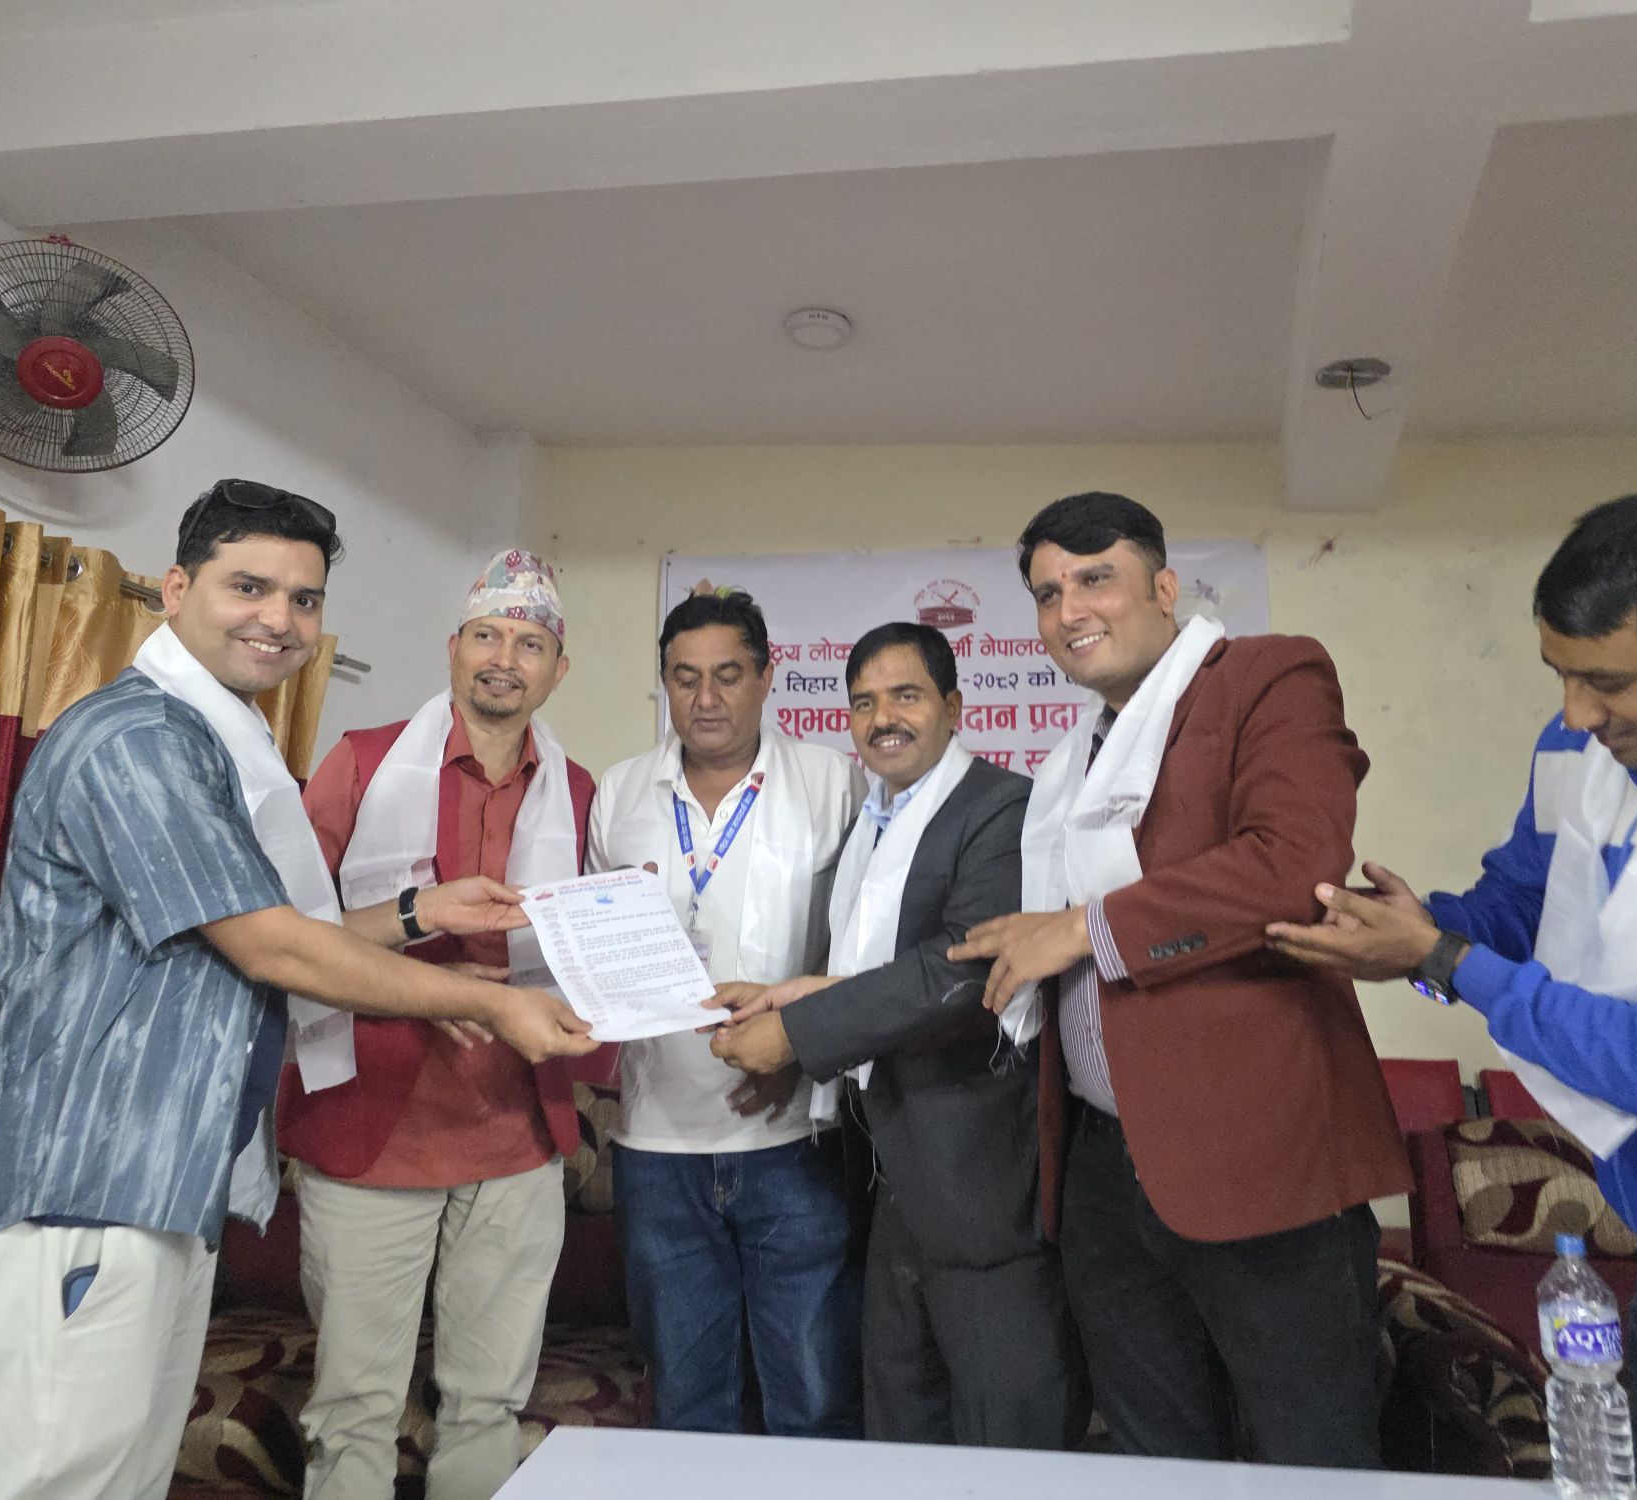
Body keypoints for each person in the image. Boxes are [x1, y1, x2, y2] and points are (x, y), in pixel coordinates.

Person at [0, 481, 595, 1500]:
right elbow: (276, 946)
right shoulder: (140, 741)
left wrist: (420, 912)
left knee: (117, 1477)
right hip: (84, 1182)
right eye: (248, 587)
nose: (277, 619)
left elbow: (280, 928)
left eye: (303, 599)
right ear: (174, 589)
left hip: (162, 1183)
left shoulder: (219, 742)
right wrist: (491, 1002)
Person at [1266, 492, 1637, 1500]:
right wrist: (1405, 932)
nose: (1577, 712)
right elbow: (1523, 902)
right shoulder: (1581, 747)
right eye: (1561, 676)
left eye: (1606, 682)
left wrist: (1445, 959)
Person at [949, 491, 1409, 1467]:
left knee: (1311, 1458)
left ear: (1164, 588)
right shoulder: (1070, 760)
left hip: (1256, 1159)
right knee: (1157, 1458)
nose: (1068, 609)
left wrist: (1083, 927)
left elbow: (1292, 863)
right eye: (1046, 593)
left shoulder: (1263, 676)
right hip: (1101, 1167)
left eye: (1094, 578)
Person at [710, 622, 1086, 1449]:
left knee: (1004, 1430)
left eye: (905, 696)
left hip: (978, 1178)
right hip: (886, 1170)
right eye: (863, 703)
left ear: (954, 707)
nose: (883, 718)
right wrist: (792, 996)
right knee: (901, 1423)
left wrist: (797, 1033)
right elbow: (875, 964)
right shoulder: (874, 819)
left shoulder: (1001, 807)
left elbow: (964, 972)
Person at [280, 550, 597, 1499]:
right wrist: (422, 934)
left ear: (558, 670)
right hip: (372, 1125)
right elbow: (285, 938)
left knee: (489, 1406)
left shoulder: (579, 792)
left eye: (529, 644)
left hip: (516, 1136)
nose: (504, 659)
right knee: (354, 1409)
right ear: (454, 648)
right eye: (487, 636)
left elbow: (587, 954)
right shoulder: (363, 762)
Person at [586, 588, 865, 1435]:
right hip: (657, 1142)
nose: (705, 699)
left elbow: (862, 946)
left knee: (812, 1399)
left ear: (767, 677)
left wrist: (800, 1048)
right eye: (685, 678)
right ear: (664, 684)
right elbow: (602, 958)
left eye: (728, 675)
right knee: (687, 1400)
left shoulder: (834, 782)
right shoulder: (619, 792)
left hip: (794, 1139)